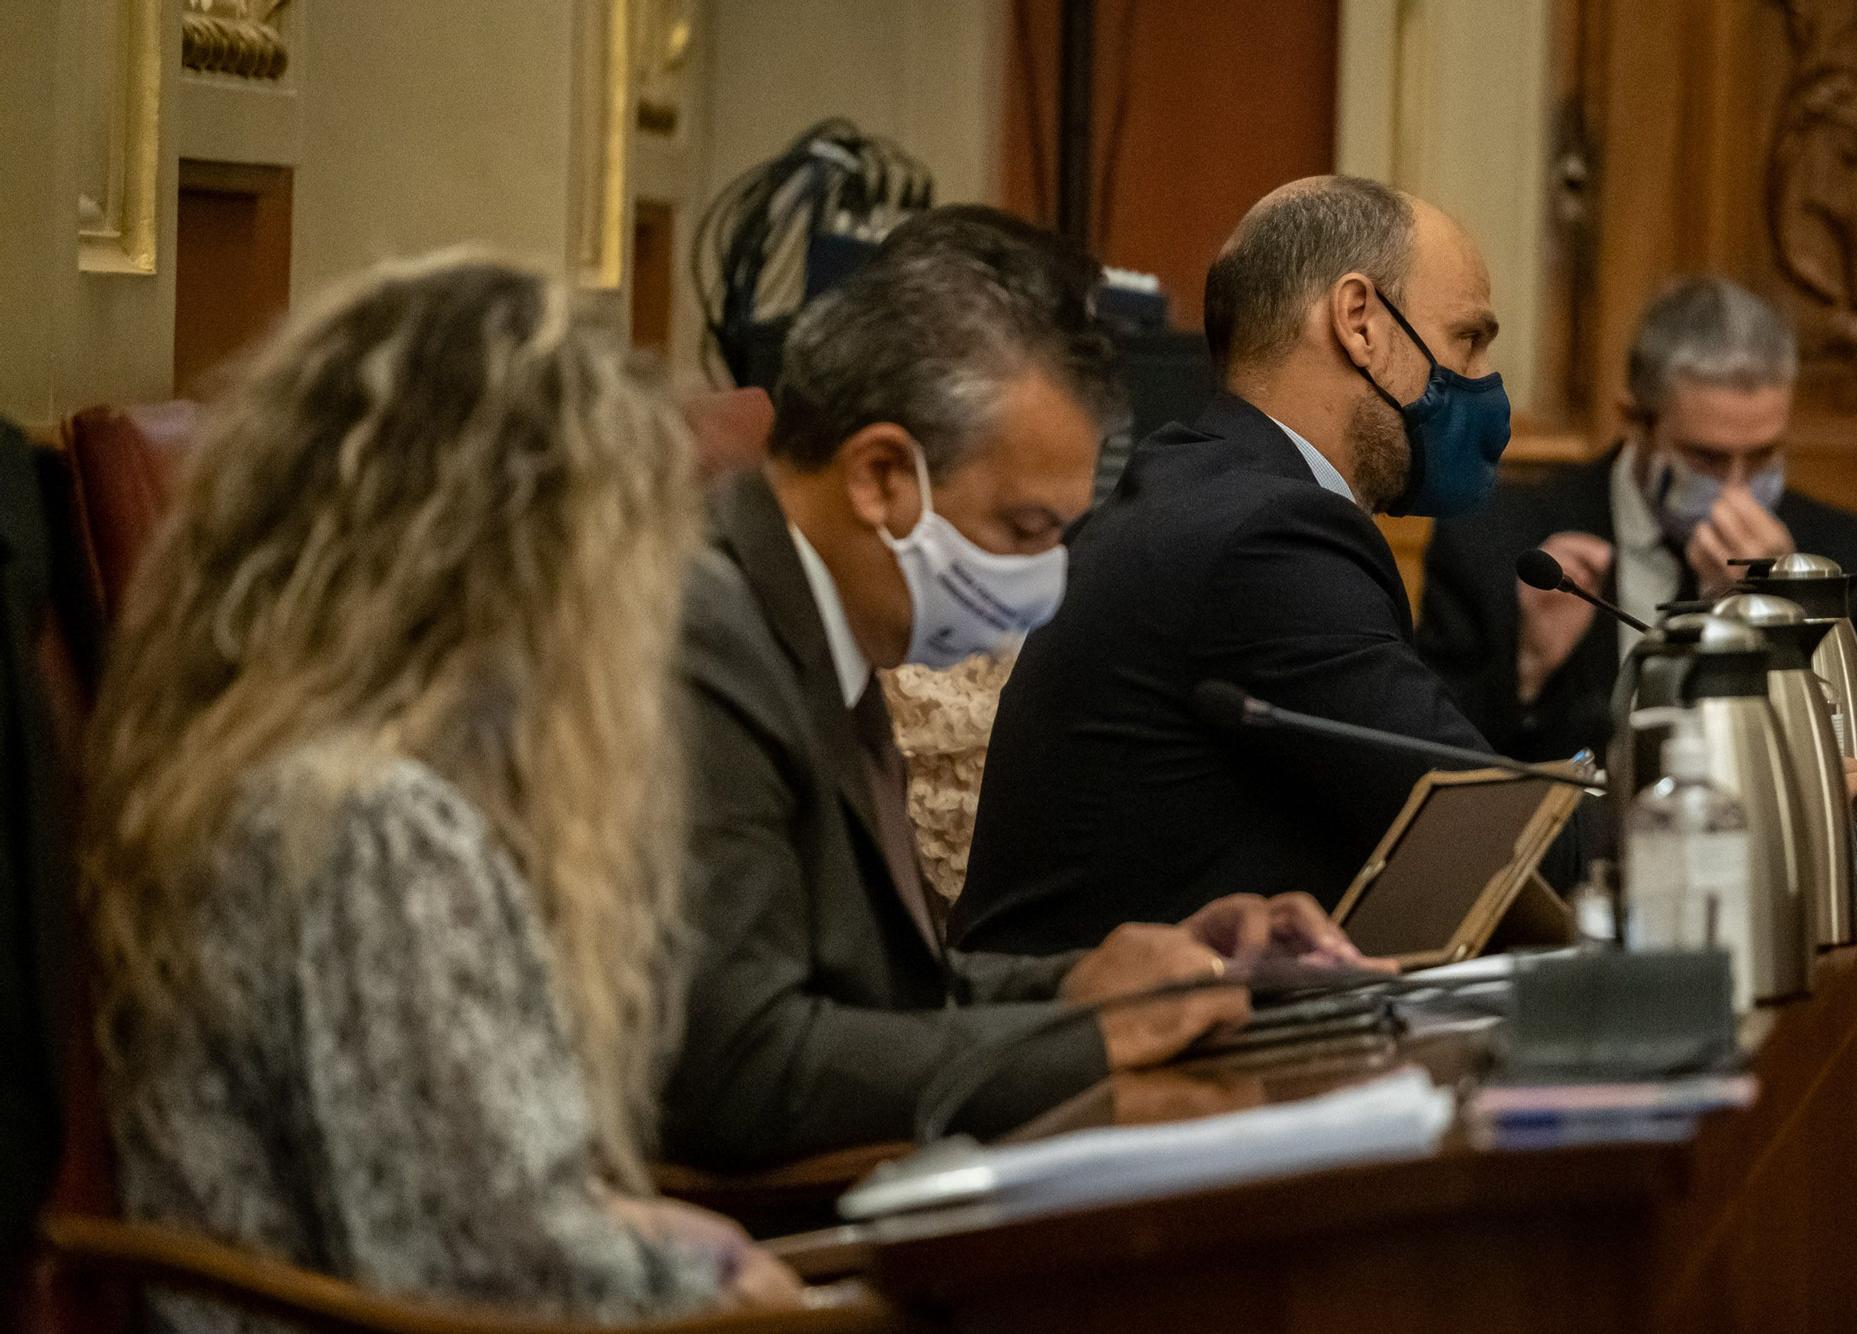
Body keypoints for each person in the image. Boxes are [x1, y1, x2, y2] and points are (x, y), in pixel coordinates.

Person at [84, 254, 799, 1328]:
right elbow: (494, 1279)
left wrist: (643, 1231)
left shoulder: (273, 774)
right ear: (513, 555)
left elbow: (462, 1204)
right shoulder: (372, 826)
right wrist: (742, 1291)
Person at [664, 208, 1378, 1170]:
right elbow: (742, 1068)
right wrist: (1087, 1042)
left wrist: (1116, 979)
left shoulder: (816, 611)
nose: (1046, 579)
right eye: (1026, 529)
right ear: (882, 477)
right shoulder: (703, 639)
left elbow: (898, 995)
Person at [954, 175, 1571, 958]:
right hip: (1107, 1055)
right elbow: (1482, 840)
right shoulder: (1267, 538)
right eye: (1468, 340)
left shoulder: (1204, 491)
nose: (1484, 381)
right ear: (1360, 323)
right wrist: (1700, 809)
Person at [1415, 276, 1857, 768]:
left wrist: (1783, 614)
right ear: (1634, 420)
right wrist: (1527, 668)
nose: (1737, 489)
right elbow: (1426, 757)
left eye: (1762, 457)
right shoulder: (1496, 538)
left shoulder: (1853, 559)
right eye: (1706, 459)